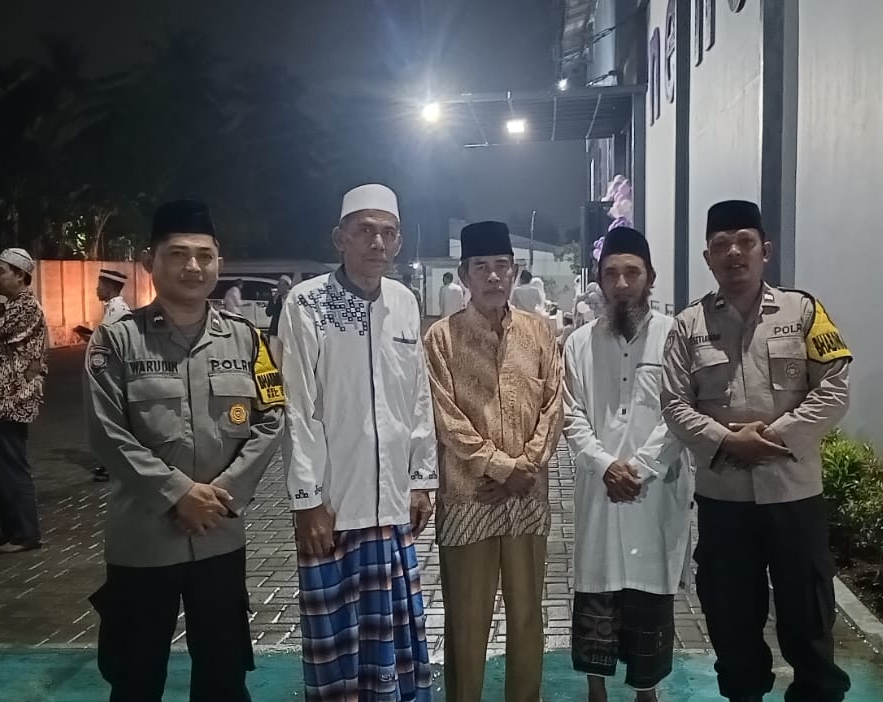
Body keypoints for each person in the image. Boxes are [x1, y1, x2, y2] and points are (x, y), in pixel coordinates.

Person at [87, 199, 287, 702]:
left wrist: (223, 493)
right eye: (178, 254)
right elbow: (107, 433)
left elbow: (271, 418)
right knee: (134, 679)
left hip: (220, 536)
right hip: (143, 541)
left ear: (219, 261)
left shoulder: (247, 340)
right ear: (150, 262)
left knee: (224, 676)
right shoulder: (116, 341)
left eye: (204, 255)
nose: (193, 267)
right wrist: (179, 494)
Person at [661, 200, 854, 702]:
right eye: (721, 245)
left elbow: (834, 389)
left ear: (765, 250)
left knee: (808, 614)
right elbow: (674, 404)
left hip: (794, 496)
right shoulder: (687, 326)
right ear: (707, 258)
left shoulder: (804, 311)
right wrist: (728, 441)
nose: (734, 253)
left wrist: (774, 437)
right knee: (731, 618)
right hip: (724, 500)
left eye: (744, 242)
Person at [283, 184, 438, 701]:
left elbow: (417, 396)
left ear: (399, 242)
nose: (377, 242)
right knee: (338, 648)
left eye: (388, 233)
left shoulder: (404, 302)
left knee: (393, 640)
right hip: (333, 506)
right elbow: (297, 406)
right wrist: (307, 502)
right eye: (365, 231)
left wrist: (421, 480)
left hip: (392, 505)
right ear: (340, 238)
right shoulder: (307, 303)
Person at [424, 220, 563, 702]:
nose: (493, 276)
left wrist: (525, 467)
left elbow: (554, 406)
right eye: (481, 266)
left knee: (527, 618)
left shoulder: (540, 333)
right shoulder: (441, 339)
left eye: (502, 265)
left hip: (526, 499)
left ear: (515, 271)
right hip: (469, 499)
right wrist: (504, 468)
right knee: (466, 623)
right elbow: (445, 417)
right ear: (464, 275)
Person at [561, 227, 692, 702]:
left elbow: (681, 409)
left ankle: (646, 693)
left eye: (631, 273)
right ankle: (595, 691)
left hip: (655, 493)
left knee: (648, 599)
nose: (621, 284)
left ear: (650, 278)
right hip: (599, 491)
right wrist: (604, 465)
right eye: (611, 273)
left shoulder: (675, 336)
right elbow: (570, 413)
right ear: (598, 280)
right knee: (596, 591)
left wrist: (639, 466)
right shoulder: (578, 343)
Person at [0, 247, 49, 554]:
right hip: (1, 400)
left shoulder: (26, 307)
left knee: (11, 467)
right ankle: (13, 531)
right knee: (3, 467)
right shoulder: (15, 305)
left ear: (20, 276)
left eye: (1, 272)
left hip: (11, 401)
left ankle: (24, 534)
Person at [83, 268, 131, 483]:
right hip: (109, 373)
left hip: (114, 374)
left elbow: (117, 344)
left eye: (100, 285)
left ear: (110, 287)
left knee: (113, 420)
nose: (97, 289)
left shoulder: (119, 311)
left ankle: (113, 464)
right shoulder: (112, 309)